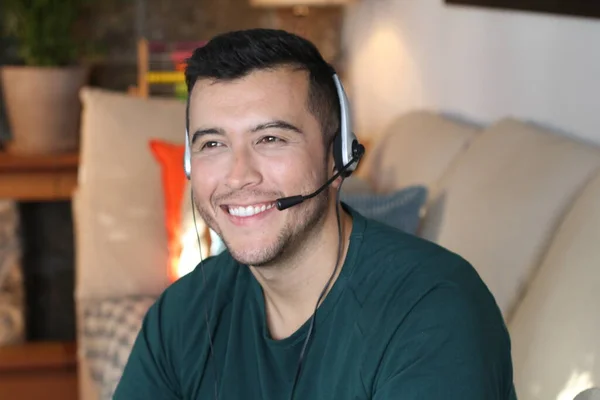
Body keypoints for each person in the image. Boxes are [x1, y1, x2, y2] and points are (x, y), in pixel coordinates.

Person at [114, 28, 516, 399]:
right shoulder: (181, 316)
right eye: (213, 144)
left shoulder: (434, 311)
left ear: (338, 159)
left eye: (270, 139)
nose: (238, 176)